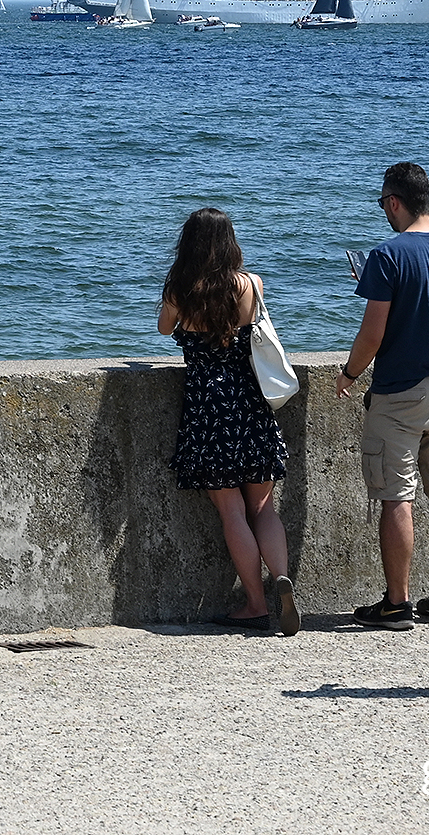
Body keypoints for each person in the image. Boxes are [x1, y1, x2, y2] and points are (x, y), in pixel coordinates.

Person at [335, 161, 429, 631]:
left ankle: (396, 604)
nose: (383, 211)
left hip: (400, 392)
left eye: (382, 203)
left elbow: (374, 332)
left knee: (397, 497)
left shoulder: (387, 256)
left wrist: (350, 374)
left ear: (394, 201)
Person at [155, 208, 298, 635]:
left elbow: (165, 330)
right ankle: (282, 579)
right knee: (263, 506)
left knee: (233, 512)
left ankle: (254, 604)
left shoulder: (181, 286)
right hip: (251, 404)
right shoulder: (250, 285)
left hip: (208, 407)